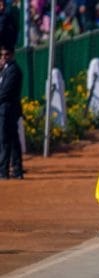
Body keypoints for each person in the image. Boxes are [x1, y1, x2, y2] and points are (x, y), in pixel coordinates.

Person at [0, 44, 23, 179]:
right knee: (12, 140)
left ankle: (4, 171)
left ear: (12, 55)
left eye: (6, 54)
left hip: (8, 109)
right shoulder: (5, 70)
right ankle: (16, 169)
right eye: (2, 55)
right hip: (5, 109)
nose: (4, 57)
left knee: (5, 141)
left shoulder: (14, 70)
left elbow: (6, 92)